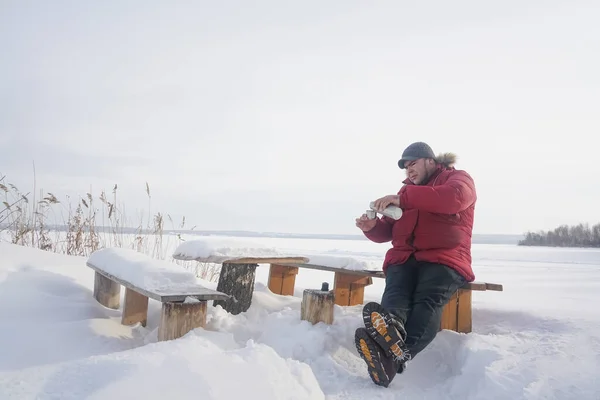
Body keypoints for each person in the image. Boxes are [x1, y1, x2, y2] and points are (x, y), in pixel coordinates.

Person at [353, 141, 477, 388]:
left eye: (413, 164)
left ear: (430, 161)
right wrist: (373, 227)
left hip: (445, 258)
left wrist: (403, 198)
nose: (408, 170)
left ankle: (394, 357)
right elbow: (389, 230)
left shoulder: (457, 180)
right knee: (396, 291)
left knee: (427, 300)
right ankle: (392, 333)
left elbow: (453, 199)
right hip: (404, 258)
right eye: (405, 167)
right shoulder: (406, 194)